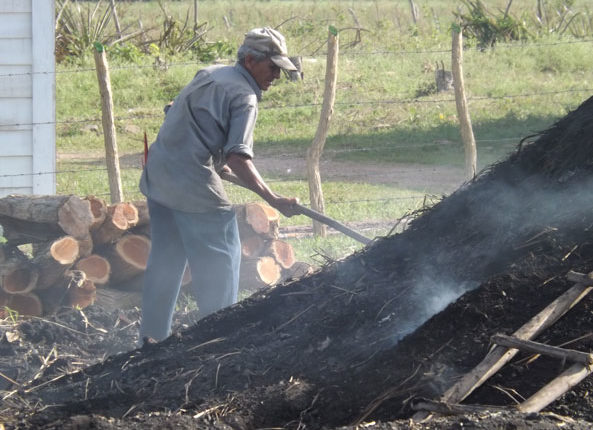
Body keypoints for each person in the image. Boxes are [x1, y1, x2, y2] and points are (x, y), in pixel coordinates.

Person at [139, 27, 300, 342]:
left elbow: (173, 110)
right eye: (272, 67)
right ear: (251, 60)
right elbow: (239, 157)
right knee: (223, 257)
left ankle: (152, 339)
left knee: (166, 261)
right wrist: (273, 197)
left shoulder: (211, 73)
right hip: (190, 179)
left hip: (158, 174)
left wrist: (214, 154)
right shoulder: (245, 97)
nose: (276, 76)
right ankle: (219, 343)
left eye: (280, 69)